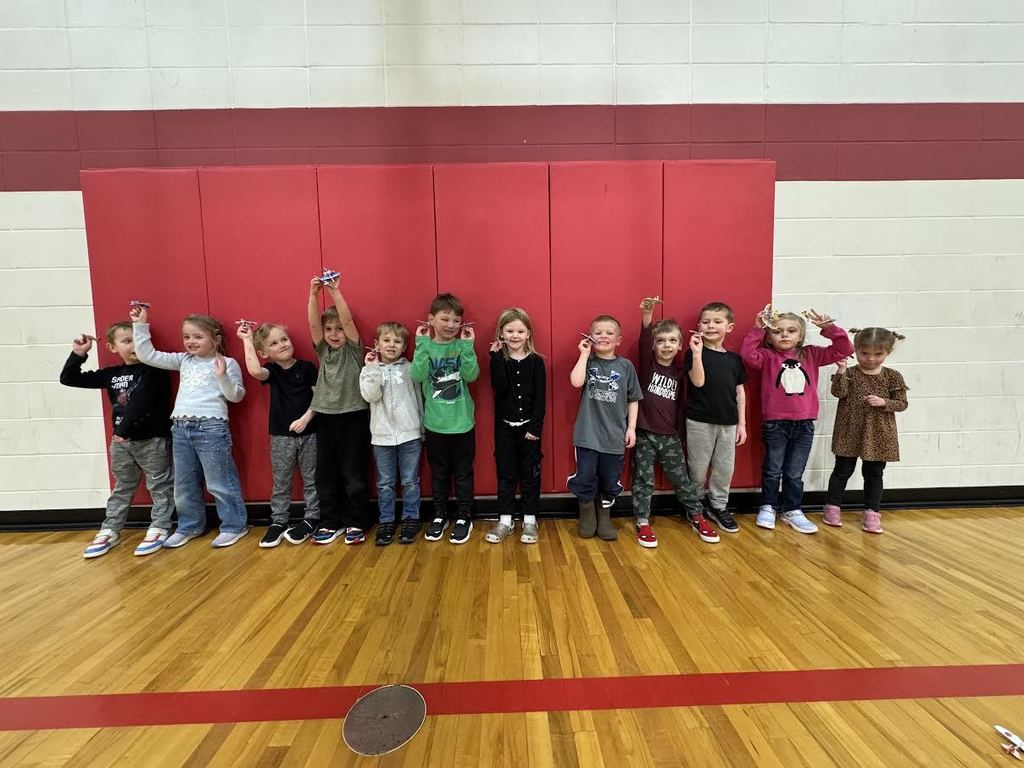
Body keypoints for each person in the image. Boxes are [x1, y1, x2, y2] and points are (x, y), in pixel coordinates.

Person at [132, 304, 249, 548]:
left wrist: (222, 376)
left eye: (198, 336)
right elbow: (148, 355)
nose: (191, 342)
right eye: (186, 337)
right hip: (181, 427)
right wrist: (140, 325)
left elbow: (236, 395)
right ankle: (190, 525)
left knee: (219, 480)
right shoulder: (183, 360)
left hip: (211, 428)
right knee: (183, 482)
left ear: (216, 339)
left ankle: (234, 525)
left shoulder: (227, 362)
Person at [60, 322, 174, 558]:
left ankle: (160, 527)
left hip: (151, 439)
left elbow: (140, 402)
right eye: (126, 341)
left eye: (137, 339)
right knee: (122, 487)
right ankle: (110, 530)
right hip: (122, 444)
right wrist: (79, 353)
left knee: (159, 485)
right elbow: (69, 378)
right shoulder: (113, 374)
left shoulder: (155, 370)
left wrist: (122, 429)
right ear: (112, 347)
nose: (134, 345)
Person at [741, 308, 854, 534]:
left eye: (791, 331)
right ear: (769, 336)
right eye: (777, 332)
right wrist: (757, 328)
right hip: (775, 423)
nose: (784, 335)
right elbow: (747, 355)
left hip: (804, 424)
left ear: (800, 335)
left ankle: (792, 509)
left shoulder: (811, 354)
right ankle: (768, 506)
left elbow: (845, 349)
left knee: (794, 472)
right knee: (773, 469)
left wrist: (827, 328)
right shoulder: (767, 356)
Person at [632, 297, 717, 548]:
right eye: (660, 341)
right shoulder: (647, 367)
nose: (665, 345)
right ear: (654, 346)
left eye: (671, 341)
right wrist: (648, 314)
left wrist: (698, 352)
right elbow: (645, 338)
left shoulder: (680, 371)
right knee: (643, 480)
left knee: (682, 480)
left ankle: (697, 515)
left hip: (670, 436)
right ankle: (642, 520)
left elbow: (699, 382)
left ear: (680, 345)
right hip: (646, 434)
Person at [237, 321, 319, 547]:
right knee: (281, 481)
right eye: (274, 343)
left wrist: (305, 419)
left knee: (312, 479)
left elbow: (318, 399)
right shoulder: (271, 372)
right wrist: (246, 340)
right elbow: (254, 371)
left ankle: (312, 517)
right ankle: (279, 521)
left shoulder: (306, 367)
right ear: (264, 353)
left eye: (284, 339)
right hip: (281, 437)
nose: (282, 344)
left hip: (309, 433)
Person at [306, 276, 372, 545]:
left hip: (353, 416)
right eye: (329, 329)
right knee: (326, 474)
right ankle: (331, 521)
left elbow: (346, 320)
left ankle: (357, 521)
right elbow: (312, 323)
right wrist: (313, 294)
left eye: (338, 329)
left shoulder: (355, 351)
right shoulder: (323, 350)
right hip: (325, 418)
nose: (334, 334)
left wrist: (334, 292)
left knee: (353, 473)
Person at [824, 327, 909, 534]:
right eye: (865, 353)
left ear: (887, 353)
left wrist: (884, 402)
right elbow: (838, 392)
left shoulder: (893, 376)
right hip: (849, 429)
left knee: (874, 473)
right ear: (856, 349)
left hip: (879, 432)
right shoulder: (851, 373)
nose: (871, 359)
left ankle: (872, 512)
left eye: (878, 354)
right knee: (842, 470)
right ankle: (832, 508)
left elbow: (902, 403)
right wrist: (841, 370)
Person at [410, 293, 479, 544]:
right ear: (431, 319)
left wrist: (468, 348)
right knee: (438, 473)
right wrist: (421, 345)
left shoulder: (461, 346)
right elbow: (417, 375)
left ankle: (464, 516)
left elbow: (471, 376)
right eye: (445, 319)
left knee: (463, 473)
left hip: (462, 425)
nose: (451, 325)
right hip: (436, 424)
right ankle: (440, 515)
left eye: (456, 320)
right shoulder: (426, 346)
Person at [568, 315, 642, 540]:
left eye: (609, 333)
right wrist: (583, 354)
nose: (603, 336)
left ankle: (604, 514)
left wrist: (631, 428)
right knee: (586, 475)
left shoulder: (626, 366)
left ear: (618, 340)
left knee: (610, 478)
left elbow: (634, 399)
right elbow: (576, 382)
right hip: (587, 435)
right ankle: (587, 511)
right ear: (590, 337)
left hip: (614, 436)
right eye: (598, 332)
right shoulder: (587, 362)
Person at [684, 302, 747, 534]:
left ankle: (718, 505)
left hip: (729, 424)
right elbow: (697, 382)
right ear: (698, 326)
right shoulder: (693, 353)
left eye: (717, 322)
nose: (711, 326)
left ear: (729, 327)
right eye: (706, 321)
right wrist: (698, 353)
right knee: (698, 468)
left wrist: (742, 423)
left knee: (724, 468)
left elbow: (740, 392)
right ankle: (695, 505)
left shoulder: (734, 359)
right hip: (700, 422)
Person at [359, 321, 424, 546]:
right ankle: (386, 520)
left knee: (410, 481)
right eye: (386, 340)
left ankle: (411, 518)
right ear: (376, 344)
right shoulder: (368, 370)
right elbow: (370, 396)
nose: (391, 345)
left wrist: (422, 429)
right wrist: (373, 370)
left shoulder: (410, 369)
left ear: (404, 346)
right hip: (381, 436)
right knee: (385, 483)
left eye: (397, 341)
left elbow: (419, 398)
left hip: (410, 435)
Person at [485, 308, 546, 545]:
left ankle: (530, 519)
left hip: (529, 429)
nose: (515, 336)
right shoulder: (499, 360)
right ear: (501, 333)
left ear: (528, 333)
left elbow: (541, 399)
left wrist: (535, 427)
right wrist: (496, 358)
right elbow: (499, 387)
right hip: (505, 429)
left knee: (530, 475)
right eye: (510, 330)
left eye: (520, 331)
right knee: (506, 474)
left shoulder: (536, 362)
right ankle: (506, 519)